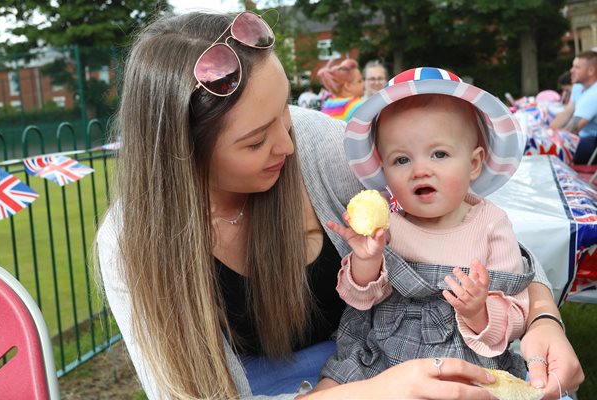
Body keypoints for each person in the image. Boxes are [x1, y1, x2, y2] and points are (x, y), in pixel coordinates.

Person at [95, 9, 584, 400]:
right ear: (182, 155)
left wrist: (543, 318)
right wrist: (374, 393)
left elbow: (470, 228)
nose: (287, 146)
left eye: (283, 110)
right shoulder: (130, 245)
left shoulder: (316, 142)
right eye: (254, 141)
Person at [316, 68, 533, 390]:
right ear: (384, 171)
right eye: (401, 160)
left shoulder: (490, 224)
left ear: (474, 163)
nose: (420, 170)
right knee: (333, 385)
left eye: (439, 154)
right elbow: (360, 299)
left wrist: (479, 312)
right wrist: (365, 260)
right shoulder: (387, 224)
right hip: (380, 353)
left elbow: (517, 311)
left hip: (462, 355)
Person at [551, 51, 597, 164]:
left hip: (592, 143)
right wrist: (548, 131)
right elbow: (566, 113)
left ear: (591, 71)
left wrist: (549, 141)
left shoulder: (594, 93)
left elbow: (573, 128)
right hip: (583, 139)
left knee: (549, 148)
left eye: (577, 67)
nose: (571, 70)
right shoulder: (578, 87)